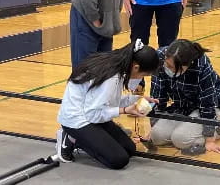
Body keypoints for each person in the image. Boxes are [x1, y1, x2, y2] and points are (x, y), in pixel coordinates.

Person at [56, 40, 159, 169]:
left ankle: (87, 139)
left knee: (130, 149)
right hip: (78, 120)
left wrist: (137, 99)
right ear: (136, 67)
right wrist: (125, 110)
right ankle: (72, 138)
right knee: (119, 160)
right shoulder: (112, 77)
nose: (142, 78)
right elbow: (93, 114)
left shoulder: (119, 65)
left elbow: (109, 100)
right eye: (144, 75)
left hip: (92, 112)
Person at [149, 39, 220, 155]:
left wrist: (209, 140)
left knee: (180, 140)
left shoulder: (201, 65)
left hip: (211, 104)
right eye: (167, 64)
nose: (167, 68)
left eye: (172, 67)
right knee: (156, 136)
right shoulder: (160, 57)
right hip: (182, 104)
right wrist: (154, 124)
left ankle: (217, 127)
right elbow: (157, 95)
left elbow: (207, 104)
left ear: (186, 66)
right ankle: (187, 127)